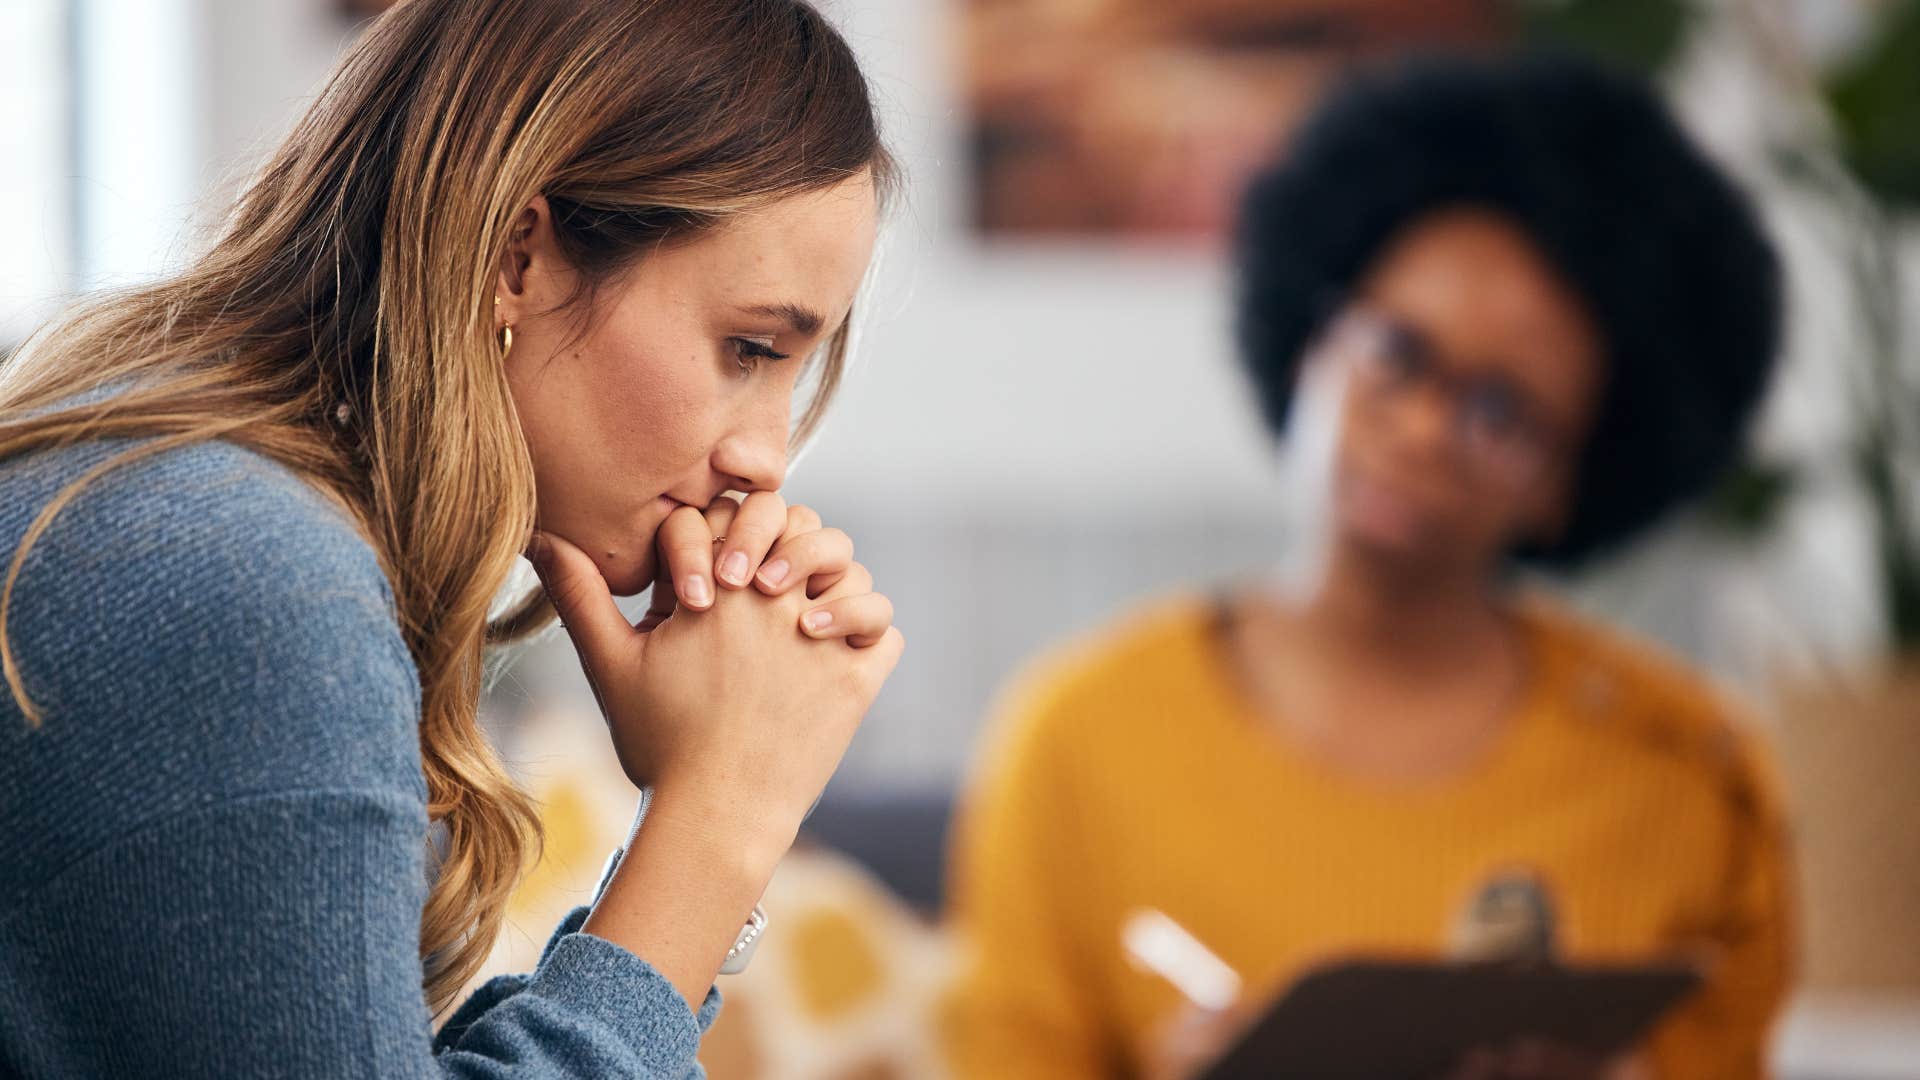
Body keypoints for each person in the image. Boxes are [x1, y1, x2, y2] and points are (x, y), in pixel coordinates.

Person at [0, 1, 903, 1075]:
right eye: (749, 348)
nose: (766, 459)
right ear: (519, 258)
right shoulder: (248, 582)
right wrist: (718, 819)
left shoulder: (202, 510)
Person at [944, 52, 1791, 1080]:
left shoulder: (1694, 774)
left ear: (1570, 479)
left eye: (1500, 411)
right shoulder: (1076, 737)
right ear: (1314, 336)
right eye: (1397, 353)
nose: (1423, 430)